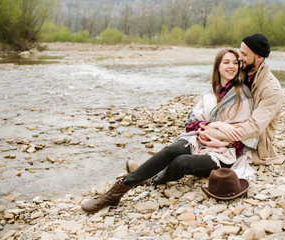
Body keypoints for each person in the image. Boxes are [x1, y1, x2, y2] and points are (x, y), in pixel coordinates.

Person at [81, 48, 258, 214]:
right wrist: (214, 126)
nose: (231, 67)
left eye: (235, 63)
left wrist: (218, 137)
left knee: (181, 163)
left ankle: (152, 179)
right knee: (172, 150)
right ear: (218, 66)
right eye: (226, 62)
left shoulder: (243, 94)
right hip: (199, 139)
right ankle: (115, 192)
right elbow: (191, 124)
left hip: (224, 153)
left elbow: (245, 135)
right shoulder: (209, 93)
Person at [199, 33, 284, 165]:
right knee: (177, 150)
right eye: (240, 53)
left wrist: (215, 134)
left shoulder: (271, 89)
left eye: (244, 54)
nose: (239, 58)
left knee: (186, 161)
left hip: (252, 144)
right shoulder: (242, 71)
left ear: (259, 57)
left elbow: (255, 127)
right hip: (225, 130)